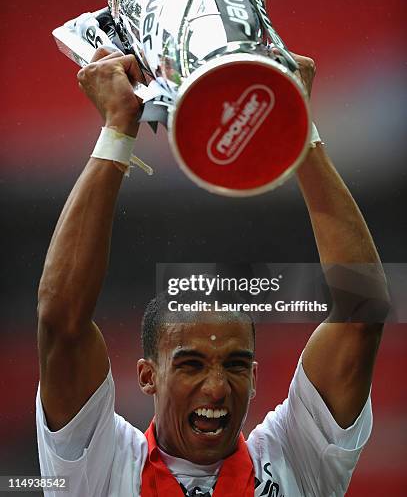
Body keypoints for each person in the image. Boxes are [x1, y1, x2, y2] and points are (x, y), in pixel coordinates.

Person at [36, 47, 389, 496]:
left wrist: (298, 131)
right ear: (148, 376)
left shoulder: (294, 460)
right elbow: (60, 320)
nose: (218, 388)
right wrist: (117, 129)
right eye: (191, 364)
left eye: (236, 365)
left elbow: (363, 314)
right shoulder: (98, 466)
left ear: (256, 377)